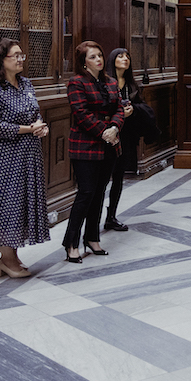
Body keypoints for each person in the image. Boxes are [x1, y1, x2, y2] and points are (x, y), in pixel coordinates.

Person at [0, 39, 50, 279]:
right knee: (7, 204)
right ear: (0, 60)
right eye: (14, 56)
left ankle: (11, 257)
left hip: (27, 154)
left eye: (21, 55)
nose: (19, 59)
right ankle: (6, 259)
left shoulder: (26, 83)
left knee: (21, 204)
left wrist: (40, 127)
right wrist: (28, 129)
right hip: (1, 157)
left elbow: (34, 113)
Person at [64, 41, 124, 262]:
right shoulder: (76, 83)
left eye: (100, 55)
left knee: (100, 192)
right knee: (86, 193)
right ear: (83, 62)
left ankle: (92, 238)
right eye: (92, 57)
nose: (99, 59)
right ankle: (71, 242)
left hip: (110, 144)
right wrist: (104, 131)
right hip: (85, 145)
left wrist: (115, 126)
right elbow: (81, 113)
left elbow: (119, 107)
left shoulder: (110, 82)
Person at [105, 47, 159, 231]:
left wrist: (133, 111)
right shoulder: (106, 83)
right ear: (112, 59)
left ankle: (111, 216)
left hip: (126, 135)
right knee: (104, 178)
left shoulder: (132, 85)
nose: (125, 59)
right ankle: (95, 219)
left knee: (119, 176)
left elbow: (142, 105)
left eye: (127, 56)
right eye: (120, 56)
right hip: (108, 134)